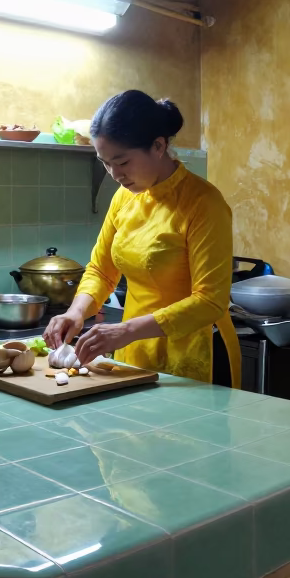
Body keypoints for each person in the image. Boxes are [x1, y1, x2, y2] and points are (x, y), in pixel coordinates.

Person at [42, 90, 240, 385]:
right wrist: (76, 312)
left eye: (122, 162)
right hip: (134, 349)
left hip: (195, 351)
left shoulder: (204, 204)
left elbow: (210, 301)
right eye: (105, 163)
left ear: (158, 146)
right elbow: (101, 270)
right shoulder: (124, 198)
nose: (114, 174)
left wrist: (126, 330)